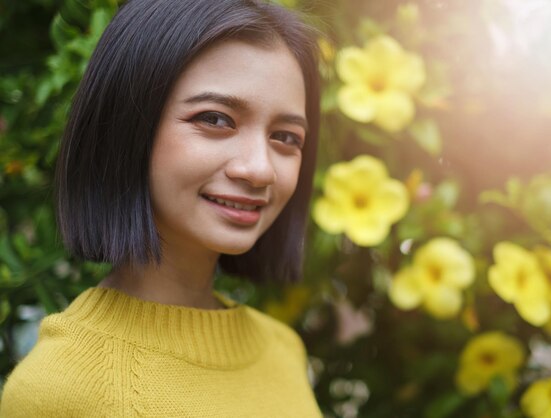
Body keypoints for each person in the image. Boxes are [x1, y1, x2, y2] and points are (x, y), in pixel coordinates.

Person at [0, 0, 322, 416]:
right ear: (127, 127)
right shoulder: (61, 390)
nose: (260, 169)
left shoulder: (284, 350)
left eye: (286, 137)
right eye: (216, 119)